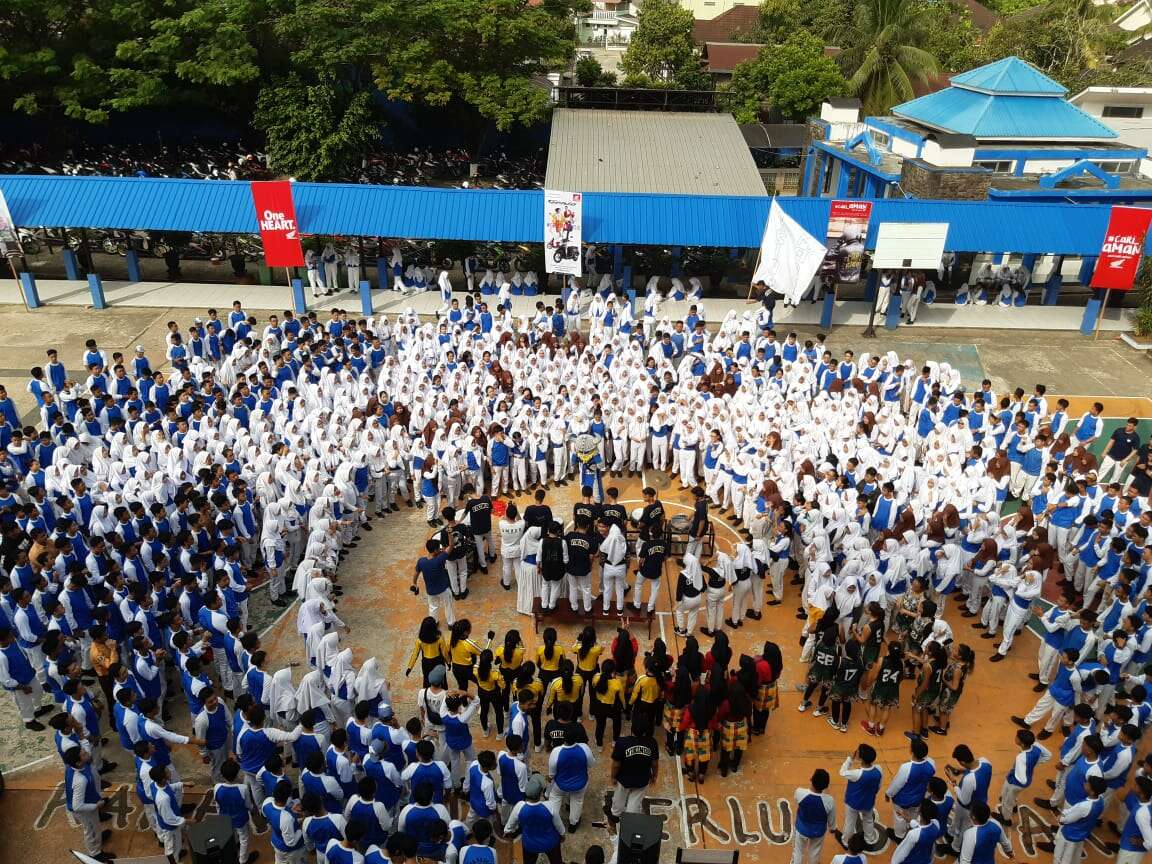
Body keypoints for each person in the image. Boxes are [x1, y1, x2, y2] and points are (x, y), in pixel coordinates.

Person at [608, 716, 658, 825]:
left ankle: (615, 817)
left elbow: (616, 764)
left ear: (632, 728)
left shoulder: (622, 742)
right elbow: (654, 764)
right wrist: (654, 776)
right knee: (634, 805)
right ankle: (629, 821)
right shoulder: (652, 743)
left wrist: (613, 777)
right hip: (642, 780)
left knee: (618, 800)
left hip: (623, 779)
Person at [504, 776, 565, 864]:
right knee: (556, 862)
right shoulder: (549, 806)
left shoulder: (519, 807)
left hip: (530, 844)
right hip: (550, 842)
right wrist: (563, 835)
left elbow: (508, 828)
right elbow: (559, 826)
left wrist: (509, 832)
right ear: (540, 794)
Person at [996, 728, 1050, 826]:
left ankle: (1006, 819)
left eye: (1017, 737)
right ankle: (1014, 806)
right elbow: (1048, 755)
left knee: (1006, 799)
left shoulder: (1021, 758)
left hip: (1014, 782)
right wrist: (1033, 764)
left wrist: (1017, 774)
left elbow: (1022, 779)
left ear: (1022, 744)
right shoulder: (1036, 747)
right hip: (1027, 780)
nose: (1015, 738)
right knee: (1013, 795)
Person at [548, 726, 595, 830]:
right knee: (577, 801)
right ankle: (573, 824)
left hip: (561, 784)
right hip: (580, 783)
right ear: (576, 738)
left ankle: (553, 822)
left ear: (563, 738)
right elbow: (591, 764)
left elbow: (551, 774)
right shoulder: (585, 748)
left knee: (555, 797)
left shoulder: (556, 751)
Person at [214, 758, 260, 864]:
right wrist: (253, 810)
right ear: (237, 774)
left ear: (222, 774)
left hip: (224, 818)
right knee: (244, 839)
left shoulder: (217, 787)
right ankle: (243, 860)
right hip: (240, 819)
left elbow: (218, 805)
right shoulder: (242, 788)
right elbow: (248, 805)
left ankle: (234, 848)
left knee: (231, 835)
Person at [838, 744, 882, 848]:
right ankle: (870, 839)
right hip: (868, 801)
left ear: (861, 758)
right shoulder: (879, 769)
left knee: (850, 823)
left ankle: (845, 841)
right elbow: (878, 786)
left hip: (852, 802)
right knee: (868, 819)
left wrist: (849, 759)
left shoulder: (856, 774)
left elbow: (842, 772)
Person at [792, 768, 835, 864]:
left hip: (801, 828)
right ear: (825, 786)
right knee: (814, 854)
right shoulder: (829, 800)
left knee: (798, 852)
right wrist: (832, 827)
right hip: (818, 832)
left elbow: (796, 800)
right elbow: (831, 819)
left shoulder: (800, 792)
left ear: (811, 779)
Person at [413, 536, 456, 626]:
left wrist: (414, 583)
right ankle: (451, 623)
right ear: (436, 550)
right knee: (448, 605)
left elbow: (416, 573)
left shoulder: (421, 561)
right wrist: (449, 533)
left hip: (431, 591)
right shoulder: (439, 559)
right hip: (443, 589)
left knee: (433, 607)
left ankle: (434, 622)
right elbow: (451, 545)